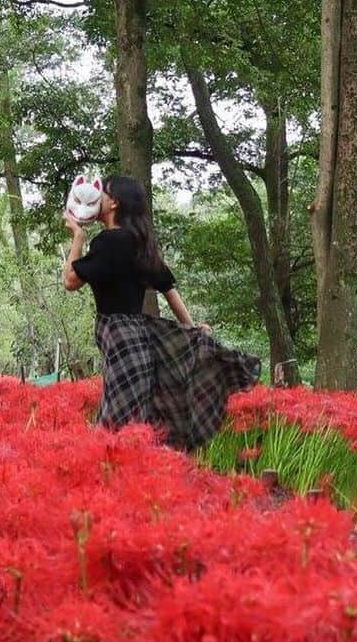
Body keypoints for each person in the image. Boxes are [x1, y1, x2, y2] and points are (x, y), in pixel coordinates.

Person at [63, 174, 260, 451]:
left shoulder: (108, 242)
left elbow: (70, 280)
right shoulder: (139, 243)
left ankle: (118, 485)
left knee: (116, 426)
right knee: (134, 423)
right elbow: (168, 286)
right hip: (140, 340)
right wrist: (191, 327)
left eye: (103, 193)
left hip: (121, 342)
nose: (97, 198)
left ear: (114, 203)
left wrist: (78, 235)